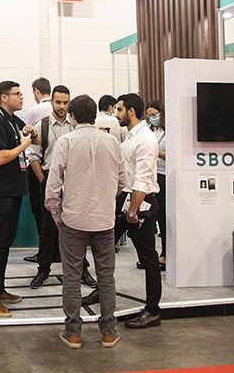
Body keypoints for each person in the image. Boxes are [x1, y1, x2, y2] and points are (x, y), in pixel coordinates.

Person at [46, 94, 123, 349]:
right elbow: (123, 180)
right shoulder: (113, 142)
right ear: (95, 115)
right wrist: (106, 200)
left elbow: (53, 185)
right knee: (106, 277)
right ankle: (108, 331)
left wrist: (57, 214)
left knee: (71, 277)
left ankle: (73, 333)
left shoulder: (66, 141)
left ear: (72, 116)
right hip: (104, 220)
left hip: (73, 219)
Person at [84, 92, 162, 329]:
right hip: (125, 200)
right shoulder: (130, 136)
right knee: (104, 246)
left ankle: (152, 311)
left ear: (131, 111)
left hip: (140, 203)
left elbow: (142, 179)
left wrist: (132, 211)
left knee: (148, 259)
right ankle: (103, 289)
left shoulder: (145, 139)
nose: (115, 114)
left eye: (119, 110)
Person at [27, 85, 95, 289]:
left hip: (75, 180)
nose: (62, 106)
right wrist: (44, 181)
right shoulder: (42, 125)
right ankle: (43, 270)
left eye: (66, 102)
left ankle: (83, 270)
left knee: (78, 228)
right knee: (47, 229)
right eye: (58, 102)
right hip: (49, 178)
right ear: (52, 102)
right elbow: (33, 157)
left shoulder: (76, 125)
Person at [0, 80, 38, 318]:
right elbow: (1, 157)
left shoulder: (13, 119)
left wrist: (32, 133)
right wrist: (23, 145)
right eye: (17, 94)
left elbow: (33, 139)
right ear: (4, 97)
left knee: (5, 241)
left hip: (12, 190)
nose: (21, 97)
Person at [23, 77, 53, 263]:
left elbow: (24, 137)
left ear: (36, 91)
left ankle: (44, 253)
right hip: (55, 169)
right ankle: (57, 252)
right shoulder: (59, 115)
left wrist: (42, 180)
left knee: (40, 212)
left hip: (38, 169)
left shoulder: (34, 111)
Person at [144, 99, 167, 270]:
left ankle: (165, 253)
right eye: (149, 115)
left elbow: (172, 154)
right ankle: (151, 256)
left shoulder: (169, 131)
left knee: (164, 217)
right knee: (151, 218)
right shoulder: (149, 130)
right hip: (151, 175)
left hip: (165, 175)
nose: (152, 118)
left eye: (154, 114)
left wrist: (156, 152)